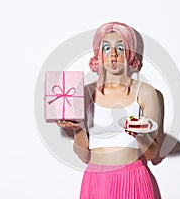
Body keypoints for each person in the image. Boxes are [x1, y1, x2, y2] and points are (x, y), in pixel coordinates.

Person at [57, 22, 163, 199]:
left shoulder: (145, 92)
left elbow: (152, 154)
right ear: (98, 54)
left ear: (129, 53)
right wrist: (78, 129)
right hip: (96, 181)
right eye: (106, 48)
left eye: (120, 48)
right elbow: (83, 156)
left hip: (133, 179)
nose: (113, 55)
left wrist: (139, 134)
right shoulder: (85, 92)